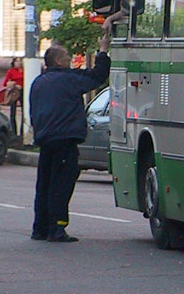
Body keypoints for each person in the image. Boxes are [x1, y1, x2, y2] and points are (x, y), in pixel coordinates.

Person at [29, 14, 120, 243]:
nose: (70, 60)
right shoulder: (67, 79)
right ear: (59, 61)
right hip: (65, 140)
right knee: (62, 184)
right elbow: (97, 76)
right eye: (68, 57)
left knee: (45, 184)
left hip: (46, 140)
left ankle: (40, 228)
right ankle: (57, 228)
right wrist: (102, 51)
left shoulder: (38, 82)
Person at [1, 56, 24, 136]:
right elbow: (5, 83)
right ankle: (13, 132)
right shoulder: (11, 71)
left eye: (20, 61)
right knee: (13, 112)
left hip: (23, 91)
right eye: (17, 61)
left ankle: (22, 132)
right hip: (15, 91)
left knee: (24, 112)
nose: (19, 63)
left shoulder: (24, 71)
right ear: (13, 63)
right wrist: (15, 84)